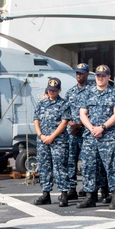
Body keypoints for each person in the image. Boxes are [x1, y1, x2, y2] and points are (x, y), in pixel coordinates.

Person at [78, 65, 115, 209]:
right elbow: (83, 114)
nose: (100, 78)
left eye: (103, 75)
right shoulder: (87, 92)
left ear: (109, 77)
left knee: (112, 166)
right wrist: (91, 128)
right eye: (98, 75)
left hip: (108, 135)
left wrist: (102, 127)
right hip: (91, 135)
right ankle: (90, 196)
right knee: (88, 166)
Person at [32, 76, 70, 206]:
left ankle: (64, 193)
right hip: (43, 140)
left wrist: (52, 136)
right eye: (49, 90)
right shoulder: (41, 103)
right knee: (44, 167)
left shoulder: (64, 104)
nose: (51, 92)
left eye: (54, 90)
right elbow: (36, 120)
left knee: (60, 166)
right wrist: (40, 135)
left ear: (59, 90)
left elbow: (64, 122)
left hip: (58, 140)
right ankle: (45, 193)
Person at [64, 63, 91, 199]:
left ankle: (87, 188)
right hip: (72, 133)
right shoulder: (70, 92)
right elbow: (64, 112)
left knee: (87, 161)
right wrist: (71, 124)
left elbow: (94, 112)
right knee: (71, 161)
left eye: (82, 73)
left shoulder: (92, 91)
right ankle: (71, 188)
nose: (79, 75)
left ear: (87, 74)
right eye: (77, 73)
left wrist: (79, 125)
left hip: (86, 132)